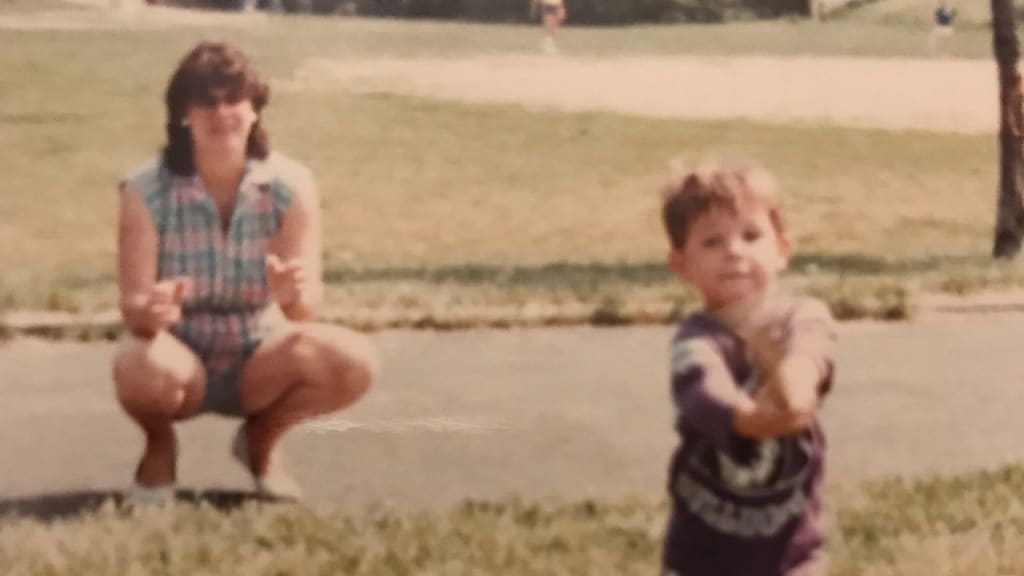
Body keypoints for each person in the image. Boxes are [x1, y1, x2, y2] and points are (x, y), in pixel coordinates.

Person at [114, 41, 379, 502]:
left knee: (354, 360)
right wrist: (151, 312)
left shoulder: (291, 186)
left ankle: (262, 442)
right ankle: (159, 446)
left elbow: (306, 309)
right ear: (183, 114)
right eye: (205, 101)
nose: (221, 113)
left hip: (258, 356)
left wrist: (294, 296)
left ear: (255, 108)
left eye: (234, 99)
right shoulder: (144, 189)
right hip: (180, 354)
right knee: (137, 364)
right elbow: (133, 306)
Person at [659, 164, 836, 576]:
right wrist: (771, 411)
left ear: (782, 249)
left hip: (791, 557)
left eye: (751, 236)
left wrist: (771, 354)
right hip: (701, 560)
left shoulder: (806, 319)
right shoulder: (694, 343)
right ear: (681, 264)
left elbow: (801, 389)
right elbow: (735, 412)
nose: (734, 251)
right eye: (712, 241)